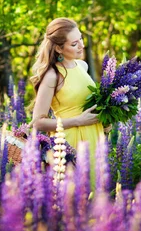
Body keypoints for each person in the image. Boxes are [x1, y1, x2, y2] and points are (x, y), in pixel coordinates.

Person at [29, 17, 104, 183]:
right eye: (74, 44)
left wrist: (105, 121)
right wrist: (78, 120)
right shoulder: (52, 76)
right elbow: (37, 122)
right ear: (58, 48)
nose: (82, 46)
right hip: (69, 144)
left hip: (94, 138)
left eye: (81, 39)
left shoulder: (82, 66)